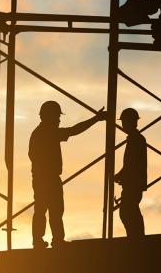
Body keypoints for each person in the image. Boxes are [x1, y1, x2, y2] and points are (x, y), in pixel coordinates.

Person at [29, 101, 106, 249]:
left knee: (50, 210)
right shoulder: (47, 133)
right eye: (56, 117)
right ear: (48, 116)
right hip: (46, 179)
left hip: (43, 179)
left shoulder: (41, 133)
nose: (58, 120)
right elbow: (74, 130)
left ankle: (45, 240)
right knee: (49, 210)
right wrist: (96, 119)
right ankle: (50, 240)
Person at [113, 108, 147, 238]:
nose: (123, 125)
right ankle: (136, 237)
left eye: (124, 122)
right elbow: (130, 164)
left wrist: (121, 175)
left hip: (133, 184)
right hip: (133, 183)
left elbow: (132, 164)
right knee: (129, 211)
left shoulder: (136, 140)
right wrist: (121, 175)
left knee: (128, 211)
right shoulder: (135, 139)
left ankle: (136, 238)